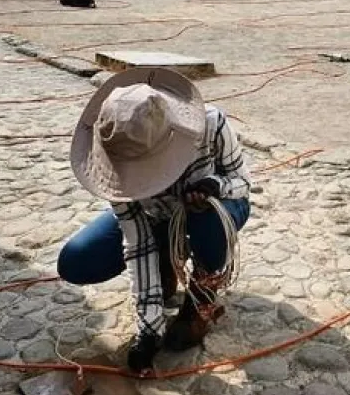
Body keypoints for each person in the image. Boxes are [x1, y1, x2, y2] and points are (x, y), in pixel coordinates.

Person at [58, 68, 252, 373]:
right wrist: (148, 331)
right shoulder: (112, 159)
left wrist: (216, 185)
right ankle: (166, 258)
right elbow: (136, 242)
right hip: (156, 218)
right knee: (78, 260)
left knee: (207, 216)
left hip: (217, 211)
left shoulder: (212, 123)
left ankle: (201, 296)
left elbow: (241, 182)